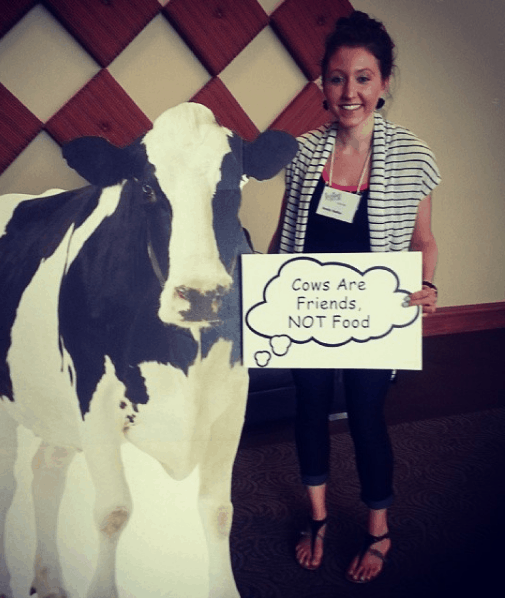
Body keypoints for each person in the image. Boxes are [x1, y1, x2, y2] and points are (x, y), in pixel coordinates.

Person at [269, 11, 441, 584]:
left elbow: (423, 239)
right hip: (305, 311)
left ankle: (378, 528)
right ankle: (316, 518)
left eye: (364, 78)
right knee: (310, 409)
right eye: (338, 77)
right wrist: (264, 290)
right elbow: (284, 231)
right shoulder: (300, 153)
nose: (350, 91)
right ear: (322, 83)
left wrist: (430, 285)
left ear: (384, 82)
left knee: (367, 415)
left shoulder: (412, 156)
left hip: (374, 316)